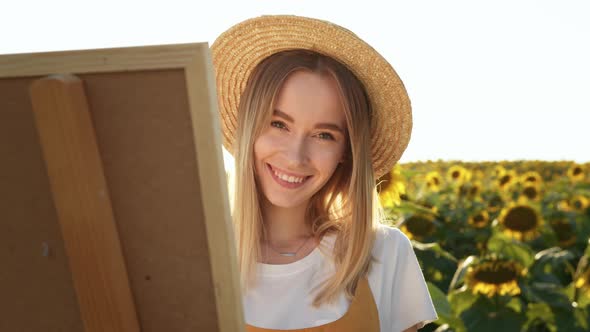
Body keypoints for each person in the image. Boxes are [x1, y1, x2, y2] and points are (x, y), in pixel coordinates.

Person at [211, 15, 438, 332]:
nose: (295, 157)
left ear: (346, 152)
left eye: (324, 135)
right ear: (249, 126)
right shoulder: (195, 263)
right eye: (279, 124)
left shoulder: (383, 254)